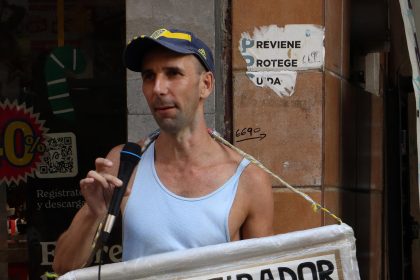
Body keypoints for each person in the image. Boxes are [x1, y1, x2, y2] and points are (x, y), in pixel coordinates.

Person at [52, 28, 274, 274]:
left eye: (173, 73)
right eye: (149, 76)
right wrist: (93, 214)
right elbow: (63, 267)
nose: (158, 88)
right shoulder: (125, 162)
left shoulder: (248, 179)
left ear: (206, 84)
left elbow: (263, 271)